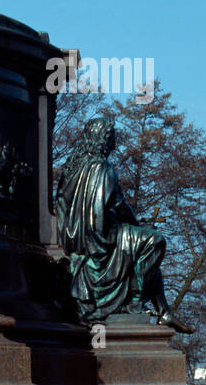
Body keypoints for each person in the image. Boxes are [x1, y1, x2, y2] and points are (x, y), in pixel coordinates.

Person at [56, 118, 190, 331]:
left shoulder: (72, 168)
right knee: (154, 241)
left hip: (80, 239)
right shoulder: (102, 168)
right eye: (113, 138)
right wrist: (135, 224)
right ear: (104, 139)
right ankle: (137, 302)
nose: (115, 144)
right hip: (101, 238)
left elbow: (61, 207)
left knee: (143, 246)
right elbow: (118, 205)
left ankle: (164, 312)